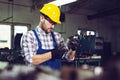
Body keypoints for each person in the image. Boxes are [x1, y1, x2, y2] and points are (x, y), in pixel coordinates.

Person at [21, 3, 78, 70]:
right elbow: (30, 60)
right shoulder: (29, 36)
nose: (53, 27)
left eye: (54, 23)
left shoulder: (57, 36)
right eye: (51, 22)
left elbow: (68, 58)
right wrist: (53, 54)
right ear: (42, 18)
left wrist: (73, 49)